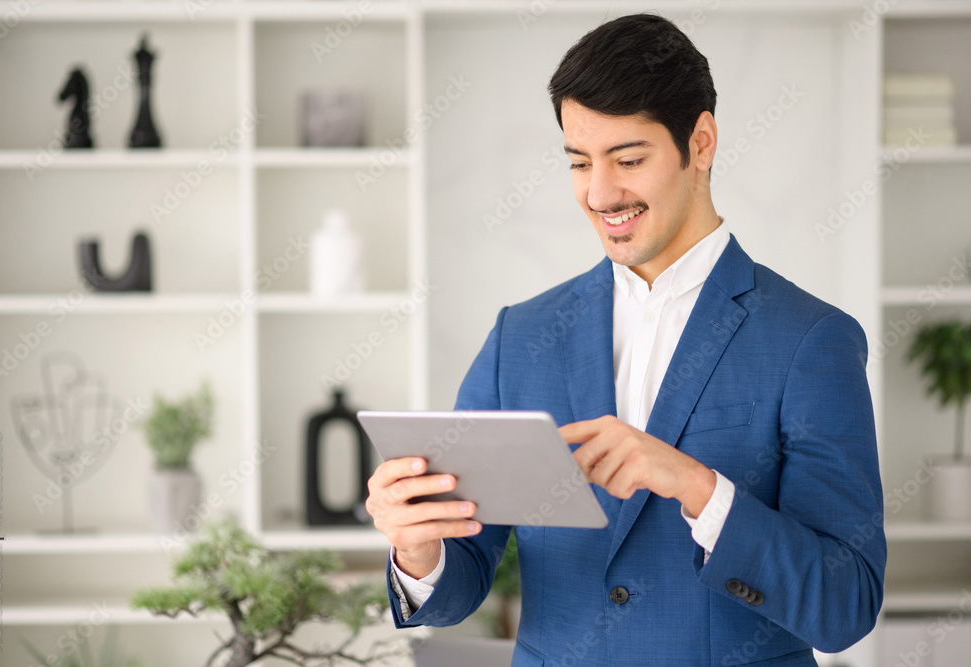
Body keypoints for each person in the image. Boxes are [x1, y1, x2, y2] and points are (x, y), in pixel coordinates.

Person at [366, 13, 886, 666]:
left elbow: (845, 605)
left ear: (701, 143)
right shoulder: (520, 336)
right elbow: (464, 570)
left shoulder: (812, 340)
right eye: (579, 161)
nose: (600, 191)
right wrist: (418, 548)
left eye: (628, 158)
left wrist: (696, 484)